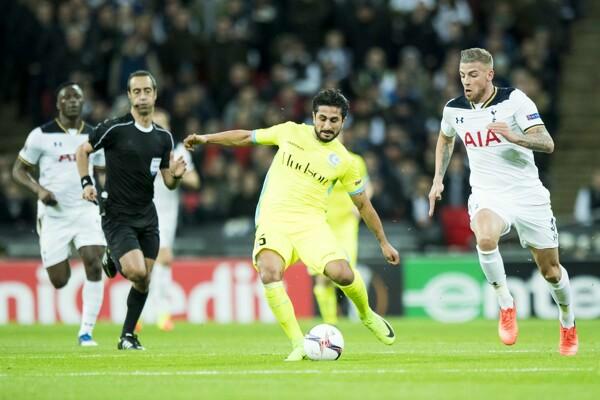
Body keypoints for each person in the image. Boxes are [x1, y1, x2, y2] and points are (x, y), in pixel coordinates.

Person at [184, 89, 400, 361]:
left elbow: (363, 205)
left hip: (311, 224)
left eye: (334, 120)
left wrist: (383, 241)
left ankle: (367, 314)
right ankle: (299, 344)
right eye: (322, 118)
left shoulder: (345, 161)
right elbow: (246, 137)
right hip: (273, 221)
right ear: (313, 116)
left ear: (343, 122)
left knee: (343, 274)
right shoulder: (290, 131)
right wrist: (206, 138)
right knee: (269, 271)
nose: (326, 125)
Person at [428, 48, 578, 356]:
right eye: (462, 75)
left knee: (550, 271)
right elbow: (446, 138)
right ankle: (506, 304)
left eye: (472, 75)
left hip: (527, 194)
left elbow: (547, 143)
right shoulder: (453, 109)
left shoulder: (515, 101)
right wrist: (437, 179)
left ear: (489, 74)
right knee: (484, 236)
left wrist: (515, 137)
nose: (466, 81)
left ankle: (567, 321)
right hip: (488, 193)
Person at [76, 70, 186, 350]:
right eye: (136, 92)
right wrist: (86, 182)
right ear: (129, 96)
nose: (142, 96)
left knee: (144, 279)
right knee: (137, 272)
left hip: (147, 216)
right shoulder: (115, 129)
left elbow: (168, 183)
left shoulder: (163, 138)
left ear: (155, 94)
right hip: (117, 216)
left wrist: (176, 174)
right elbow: (82, 151)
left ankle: (127, 336)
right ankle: (113, 254)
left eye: (146, 91)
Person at [12, 83, 106, 346]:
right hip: (54, 215)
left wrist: (107, 194)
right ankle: (64, 263)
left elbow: (102, 170)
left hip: (85, 208)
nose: (73, 101)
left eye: (78, 97)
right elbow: (18, 170)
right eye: (67, 98)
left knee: (93, 261)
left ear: (84, 102)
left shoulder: (94, 135)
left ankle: (86, 331)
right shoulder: (40, 135)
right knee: (59, 281)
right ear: (58, 104)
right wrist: (39, 190)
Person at [150, 108, 200, 331]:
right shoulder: (141, 148)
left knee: (164, 259)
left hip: (166, 213)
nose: (161, 128)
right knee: (144, 263)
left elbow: (195, 181)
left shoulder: (179, 151)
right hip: (141, 208)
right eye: (156, 124)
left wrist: (176, 171)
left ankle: (162, 314)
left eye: (164, 123)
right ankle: (145, 313)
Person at [314, 147, 371, 325]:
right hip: (322, 225)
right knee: (323, 277)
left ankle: (364, 313)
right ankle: (331, 324)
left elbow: (368, 186)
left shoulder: (354, 160)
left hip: (346, 224)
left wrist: (359, 206)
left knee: (345, 271)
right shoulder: (313, 159)